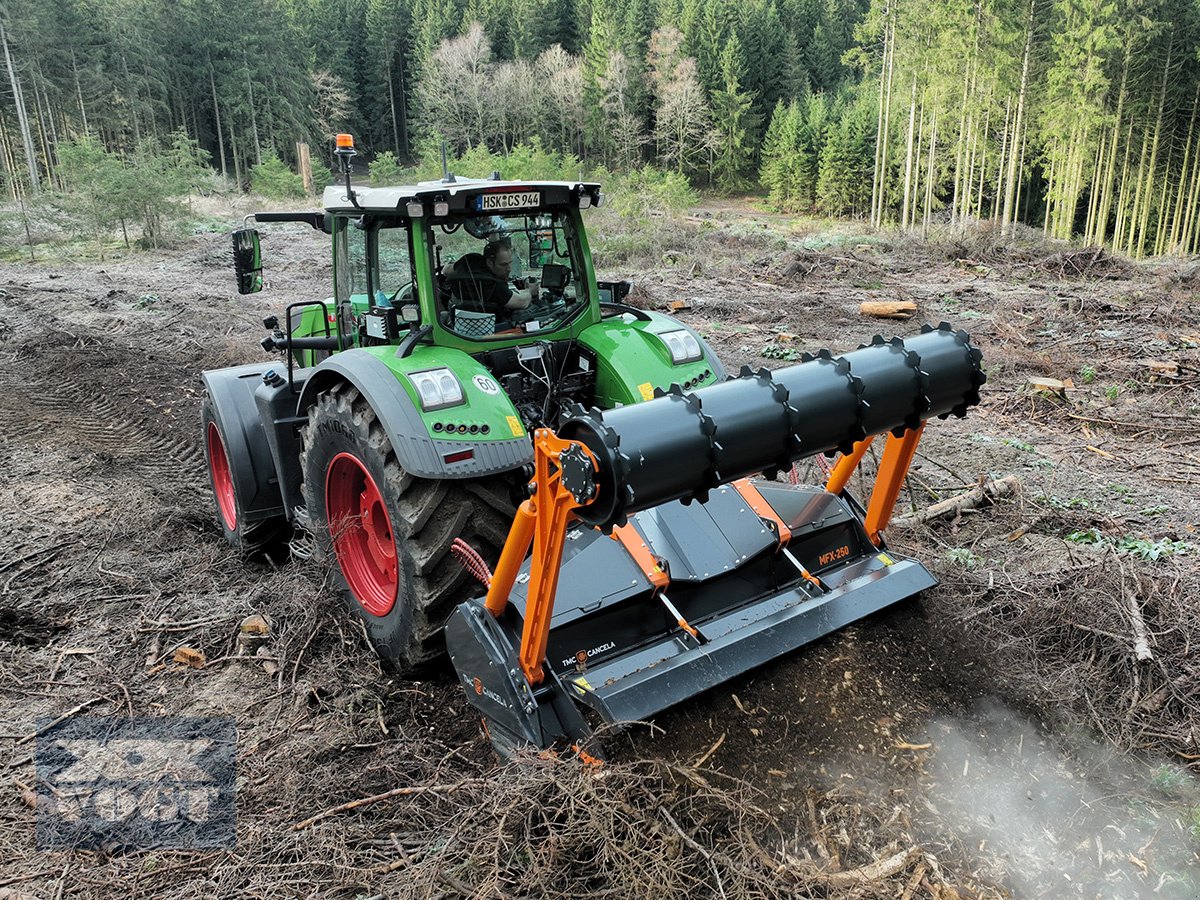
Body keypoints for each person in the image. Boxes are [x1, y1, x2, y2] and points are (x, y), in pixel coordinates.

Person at [449, 240, 537, 330]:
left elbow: (445, 270)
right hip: (493, 332)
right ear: (490, 262)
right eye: (503, 265)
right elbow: (522, 303)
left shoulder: (469, 261)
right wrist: (529, 291)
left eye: (510, 263)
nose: (509, 269)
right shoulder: (495, 285)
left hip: (460, 329)